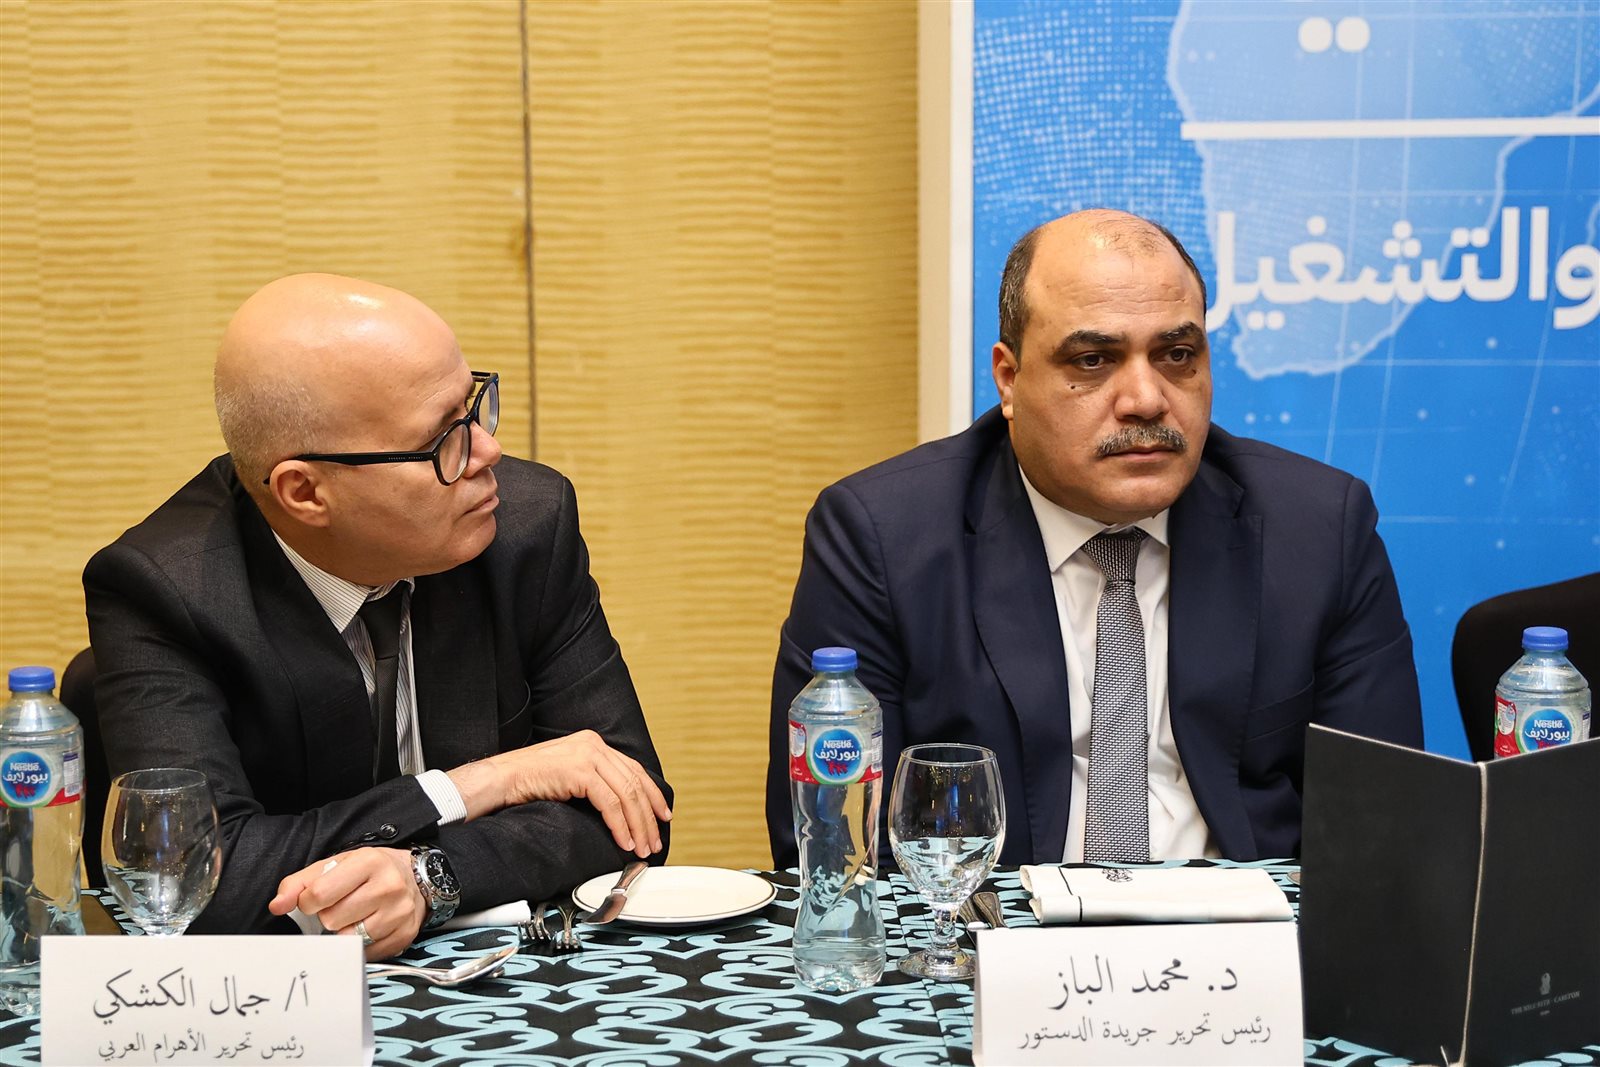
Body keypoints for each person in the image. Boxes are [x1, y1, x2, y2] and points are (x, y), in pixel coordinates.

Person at [767, 209, 1423, 868]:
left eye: (1176, 355)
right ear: (1009, 379)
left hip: (1247, 924)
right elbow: (833, 850)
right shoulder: (883, 538)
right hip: (992, 926)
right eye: (1093, 360)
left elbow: (1385, 830)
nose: (1146, 399)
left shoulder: (1316, 529)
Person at [84, 274, 672, 958]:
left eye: (473, 406)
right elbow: (202, 882)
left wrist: (431, 878)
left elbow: (634, 809)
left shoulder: (525, 526)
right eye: (441, 439)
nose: (487, 452)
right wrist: (484, 782)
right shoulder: (164, 588)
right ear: (305, 492)